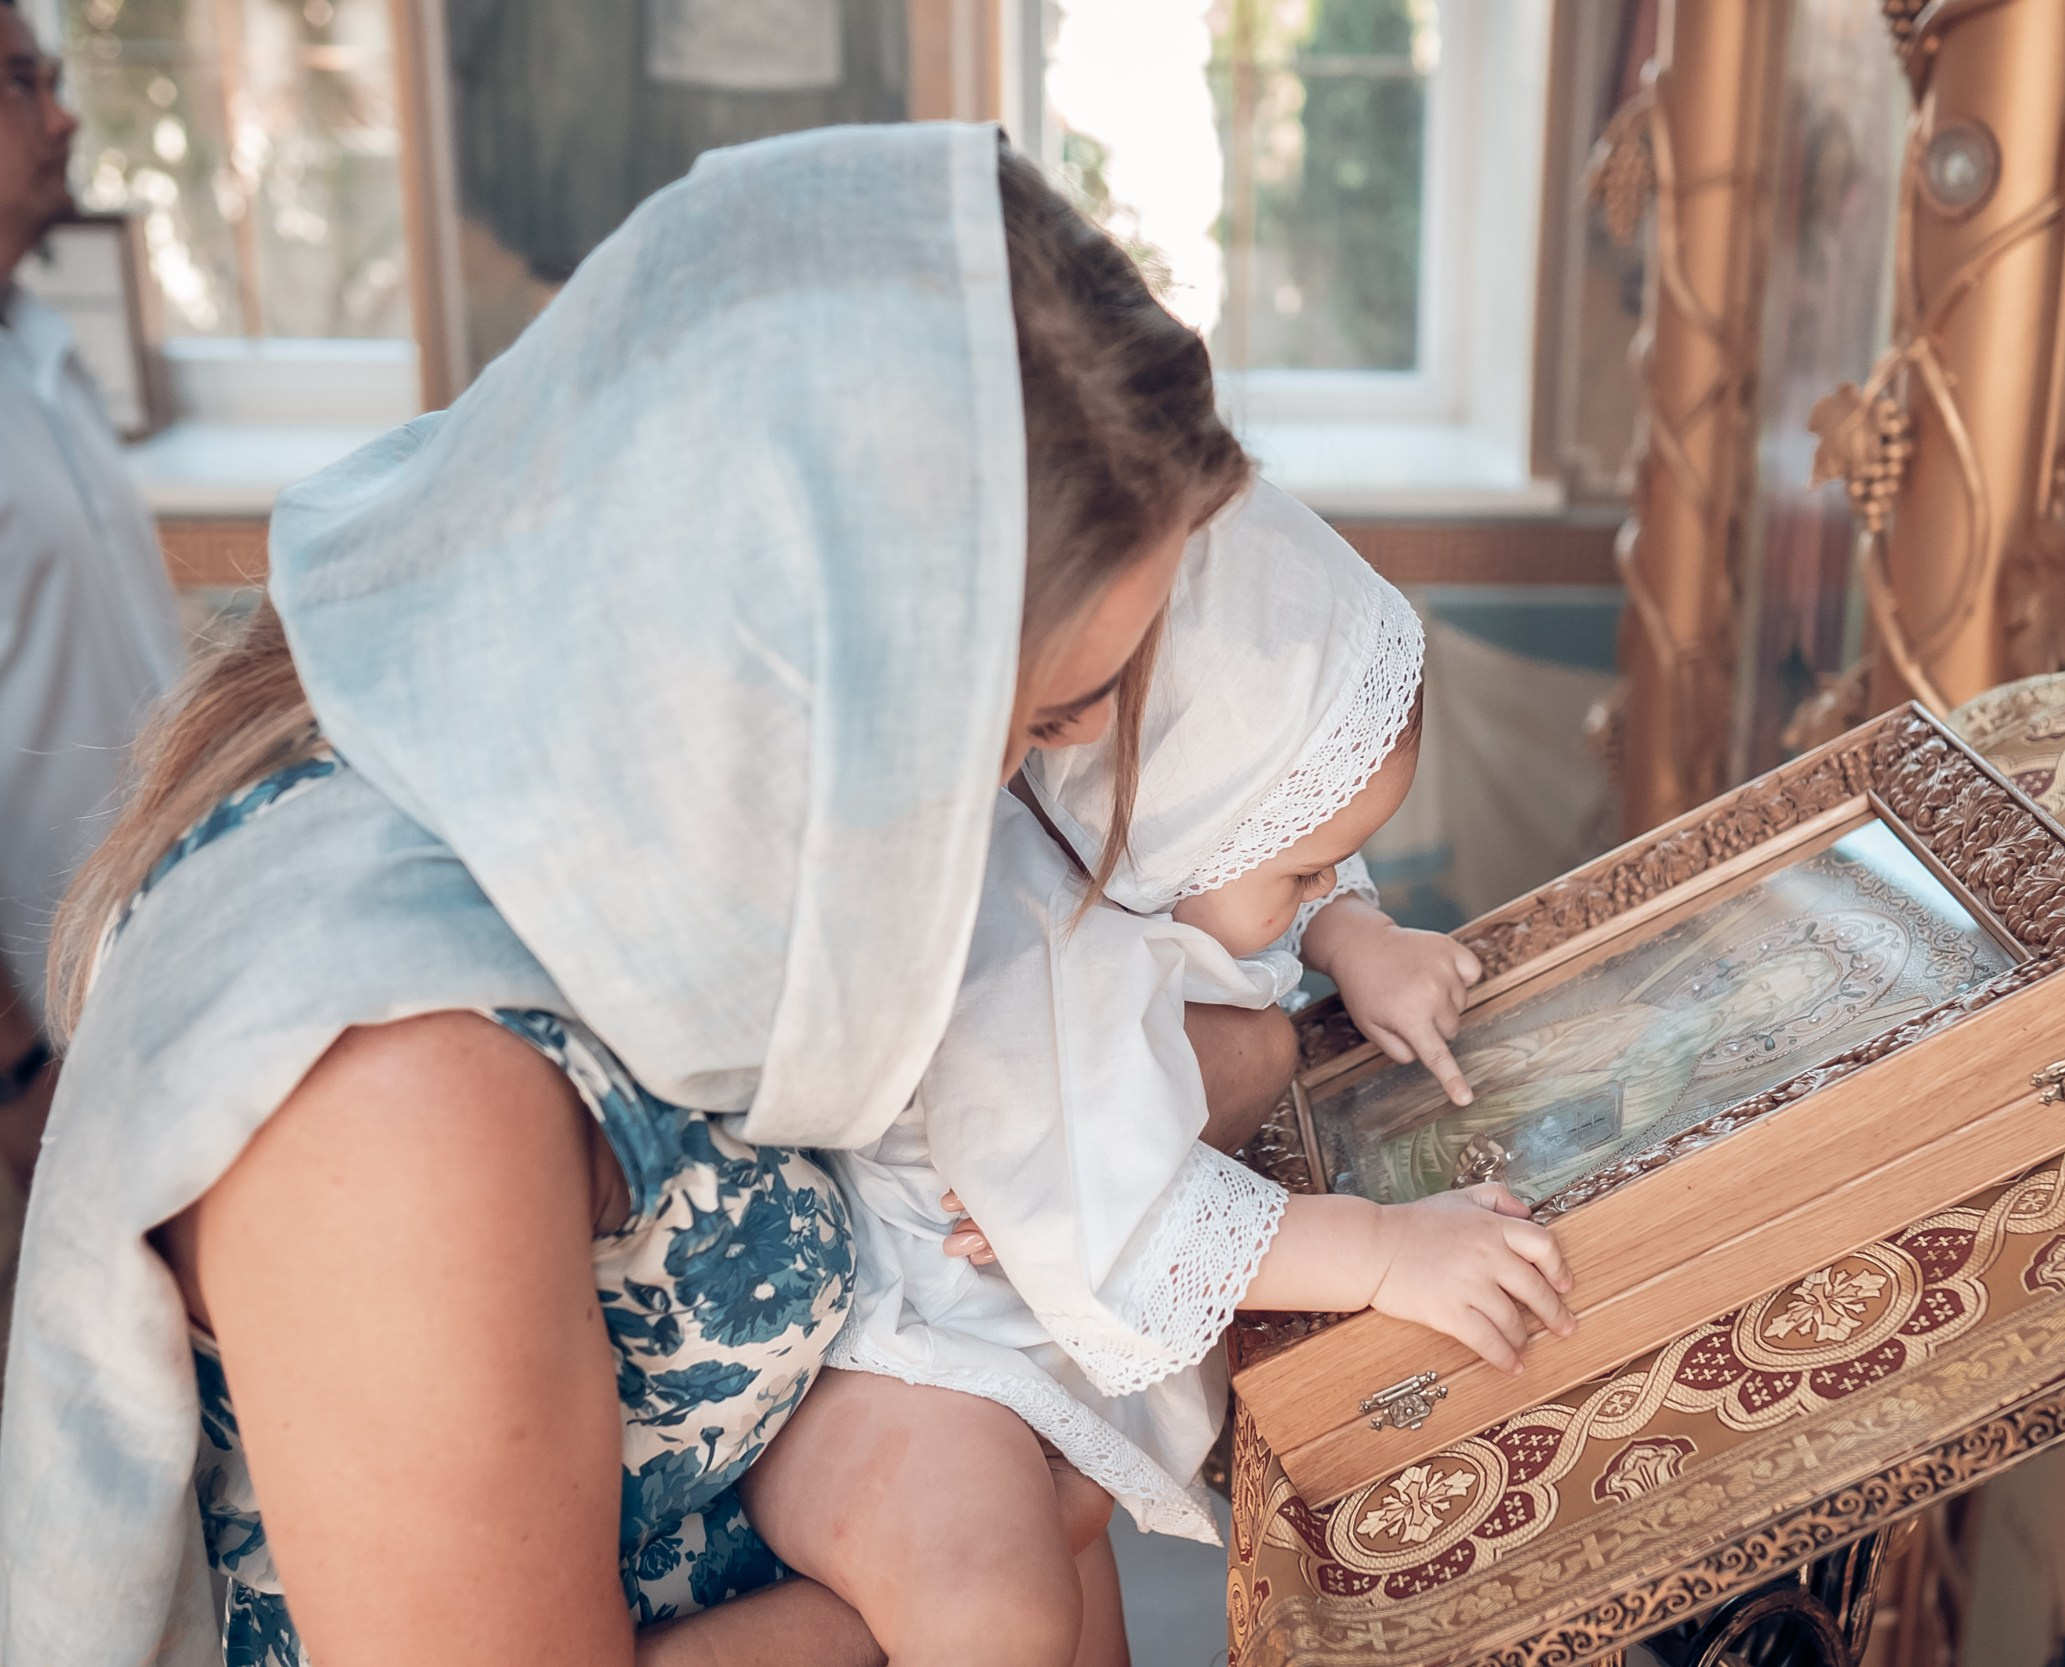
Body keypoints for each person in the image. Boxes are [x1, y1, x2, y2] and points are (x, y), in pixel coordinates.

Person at [0, 125, 1264, 1666]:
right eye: (1029, 721)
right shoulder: (401, 1083)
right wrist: (1023, 1527)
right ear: (805, 675)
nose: (1010, 794)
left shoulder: (684, 841)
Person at [736, 484, 1563, 1667]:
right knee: (995, 1612)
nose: (1317, 887)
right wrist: (1383, 1250)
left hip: (1017, 1348)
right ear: (1180, 814)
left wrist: (1353, 933)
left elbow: (1260, 869)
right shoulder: (1024, 955)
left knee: (1083, 1622)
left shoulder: (1138, 838)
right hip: (913, 1352)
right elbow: (1142, 1219)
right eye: (1303, 874)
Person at [0, 0, 186, 1188]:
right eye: (23, 82)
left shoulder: (42, 352)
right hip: (37, 1058)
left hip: (137, 996)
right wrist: (16, 1074)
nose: (62, 117)